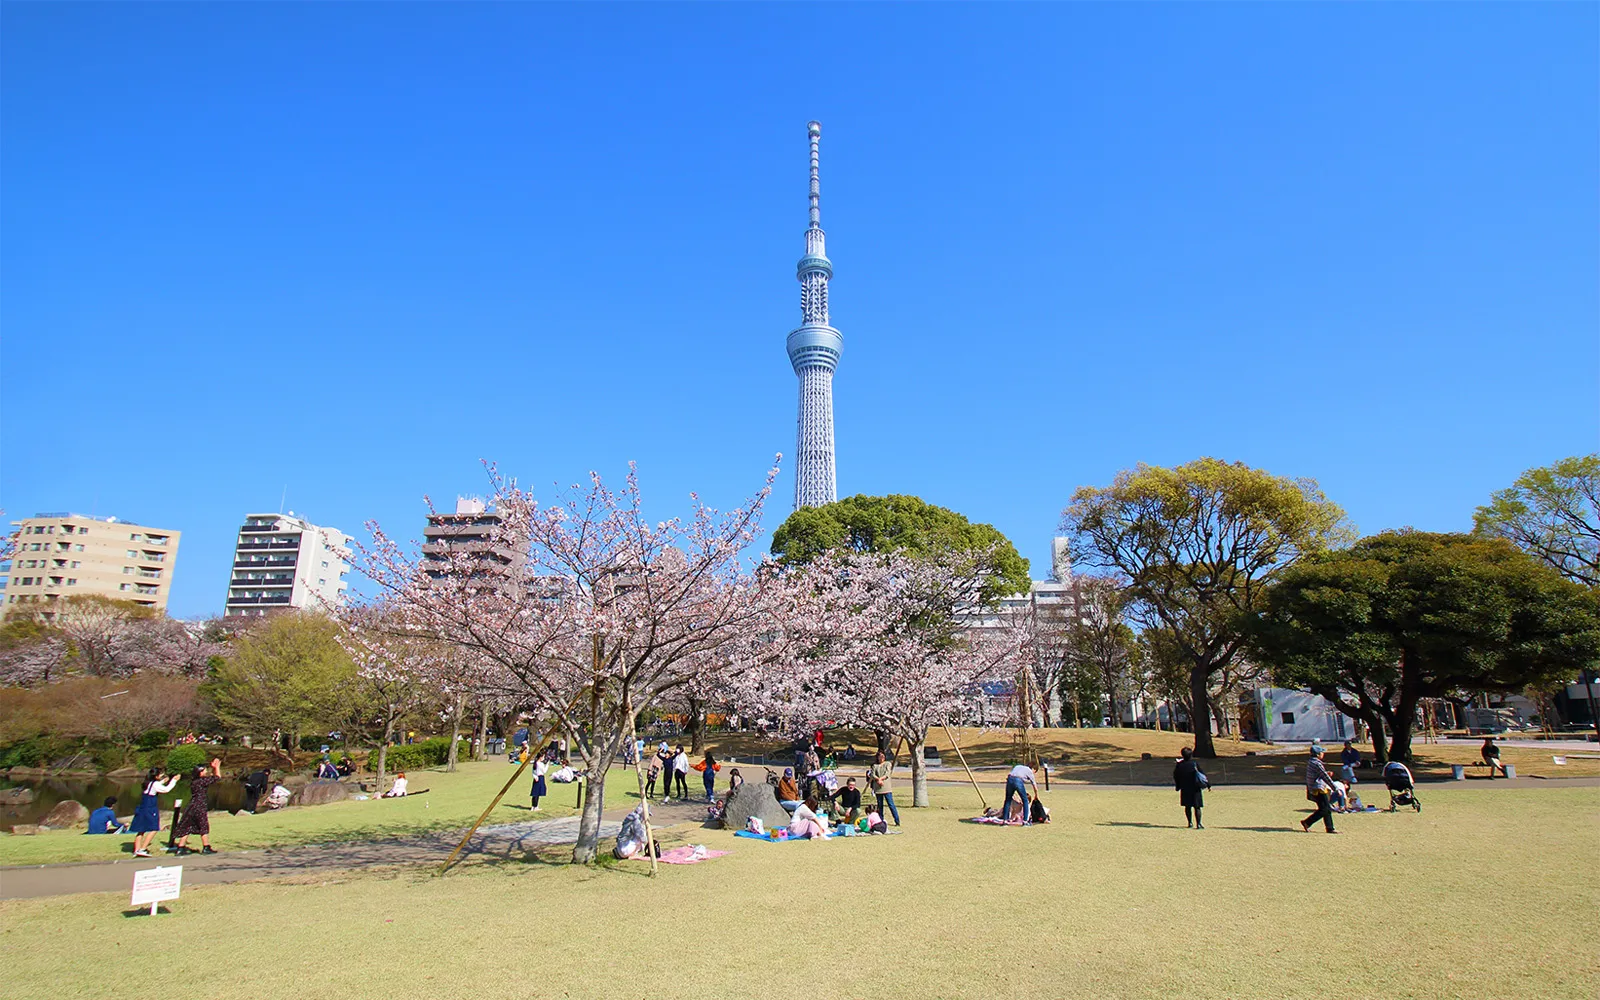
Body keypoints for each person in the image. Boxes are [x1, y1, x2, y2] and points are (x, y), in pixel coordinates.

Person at [172, 758, 223, 855]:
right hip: (200, 805)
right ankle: (206, 847)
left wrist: (213, 768)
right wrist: (217, 767)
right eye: (204, 770)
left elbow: (212, 778)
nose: (206, 772)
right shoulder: (201, 781)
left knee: (188, 825)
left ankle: (181, 847)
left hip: (192, 805)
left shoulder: (195, 781)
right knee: (203, 825)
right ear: (200, 772)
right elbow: (217, 777)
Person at [131, 768, 179, 857]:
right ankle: (143, 848)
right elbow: (166, 790)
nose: (162, 775)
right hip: (150, 808)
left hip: (142, 808)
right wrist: (174, 781)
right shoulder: (155, 784)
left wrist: (163, 781)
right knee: (154, 828)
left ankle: (136, 849)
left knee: (141, 830)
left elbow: (153, 787)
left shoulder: (147, 783)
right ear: (156, 776)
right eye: (160, 774)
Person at [1300, 745, 1338, 834]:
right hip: (1318, 789)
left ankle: (1330, 828)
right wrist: (1335, 788)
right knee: (1325, 809)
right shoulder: (1317, 763)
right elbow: (1324, 776)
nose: (1323, 754)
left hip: (1314, 788)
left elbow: (1318, 774)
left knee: (1325, 808)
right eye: (1322, 752)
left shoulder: (1311, 762)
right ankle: (1307, 822)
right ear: (1317, 754)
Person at [1173, 746, 1207, 829]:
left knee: (1187, 806)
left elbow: (1176, 776)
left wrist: (1178, 786)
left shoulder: (1179, 765)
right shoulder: (1194, 764)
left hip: (1185, 787)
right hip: (1195, 788)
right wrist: (1207, 784)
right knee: (1197, 807)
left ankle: (1190, 823)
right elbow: (1201, 774)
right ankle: (1199, 824)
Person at [867, 751, 900, 826]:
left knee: (891, 804)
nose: (882, 758)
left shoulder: (887, 764)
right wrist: (878, 779)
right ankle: (880, 820)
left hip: (886, 788)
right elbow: (872, 774)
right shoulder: (875, 766)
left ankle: (897, 820)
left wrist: (881, 779)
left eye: (883, 756)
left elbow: (887, 773)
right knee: (880, 806)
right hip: (878, 788)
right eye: (880, 756)